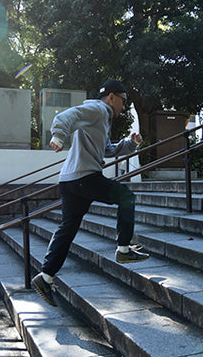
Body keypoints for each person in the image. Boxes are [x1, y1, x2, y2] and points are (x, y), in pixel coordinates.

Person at [31, 79, 149, 306]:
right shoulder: (98, 108)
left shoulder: (101, 119)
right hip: (84, 177)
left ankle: (45, 277)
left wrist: (130, 144)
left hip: (69, 180)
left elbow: (107, 149)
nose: (122, 108)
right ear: (112, 97)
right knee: (127, 197)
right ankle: (123, 249)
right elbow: (65, 116)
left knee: (68, 229)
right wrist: (58, 134)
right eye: (122, 102)